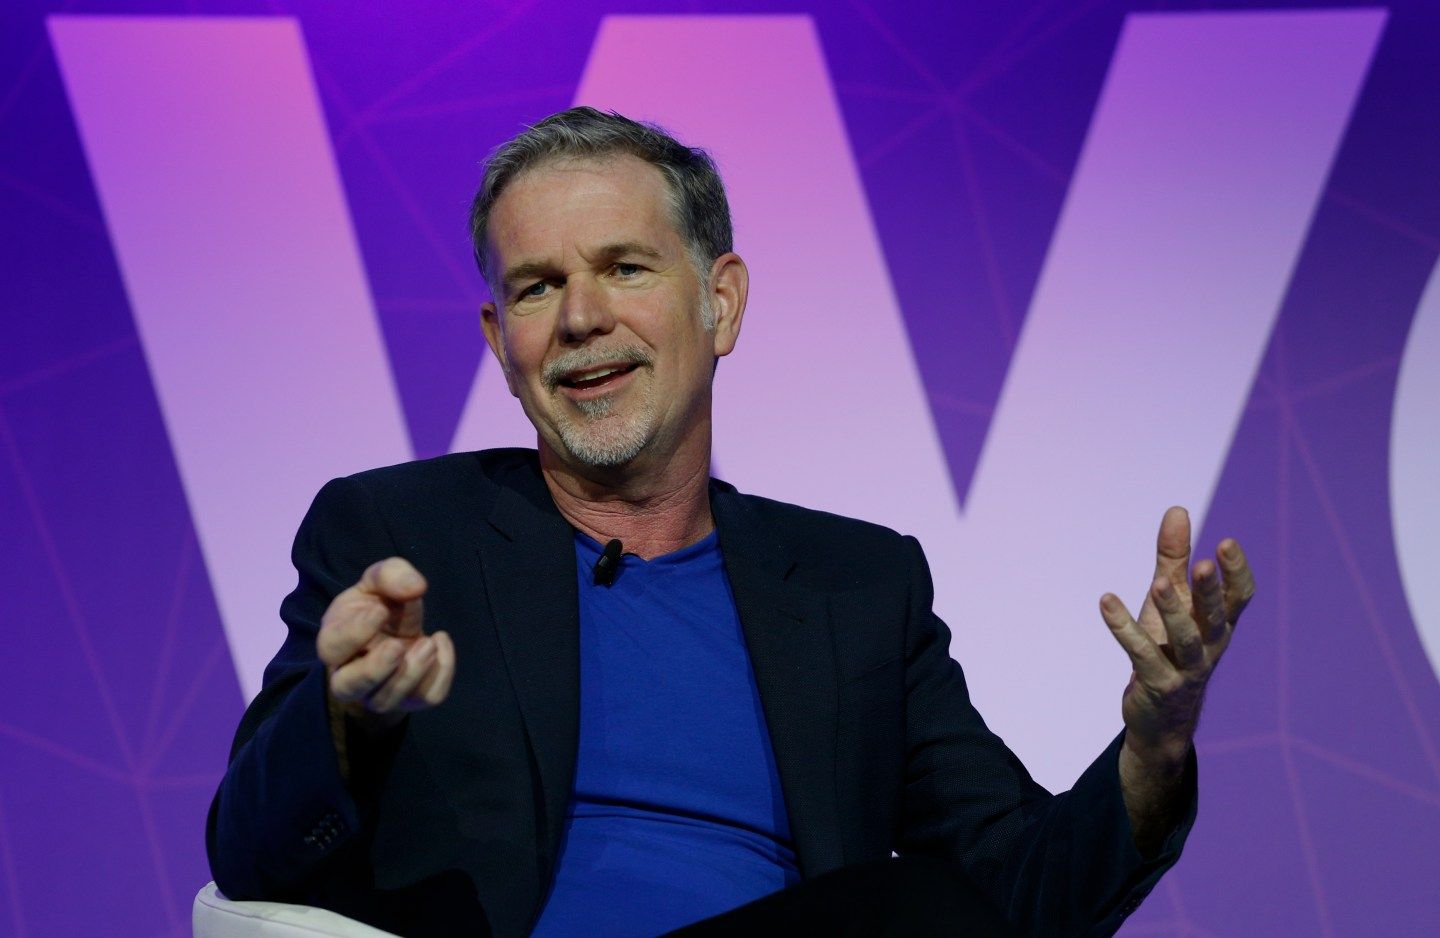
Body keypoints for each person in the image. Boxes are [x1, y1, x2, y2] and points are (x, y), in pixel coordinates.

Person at [207, 107, 1255, 937]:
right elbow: (249, 856)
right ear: (500, 338)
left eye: (624, 267)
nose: (580, 317)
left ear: (723, 302)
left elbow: (1023, 892)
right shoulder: (399, 538)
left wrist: (1153, 748)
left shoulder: (857, 588)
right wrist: (343, 719)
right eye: (537, 286)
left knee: (934, 908)